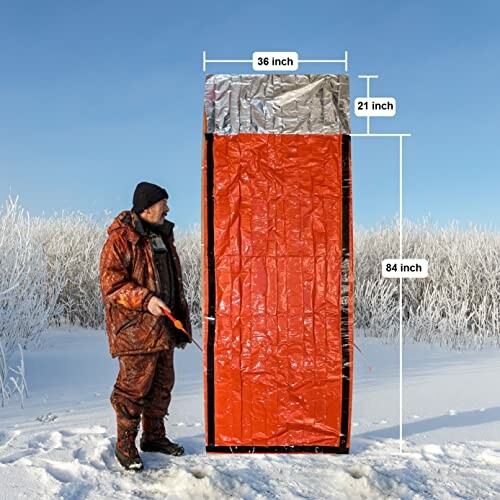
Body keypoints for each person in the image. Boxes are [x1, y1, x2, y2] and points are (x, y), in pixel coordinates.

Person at [99, 181, 192, 471]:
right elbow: (111, 286)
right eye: (163, 203)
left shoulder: (162, 235)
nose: (167, 208)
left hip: (164, 325)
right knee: (133, 388)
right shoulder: (120, 240)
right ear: (147, 207)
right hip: (135, 330)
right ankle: (125, 446)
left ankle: (154, 437)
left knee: (163, 384)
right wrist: (146, 299)